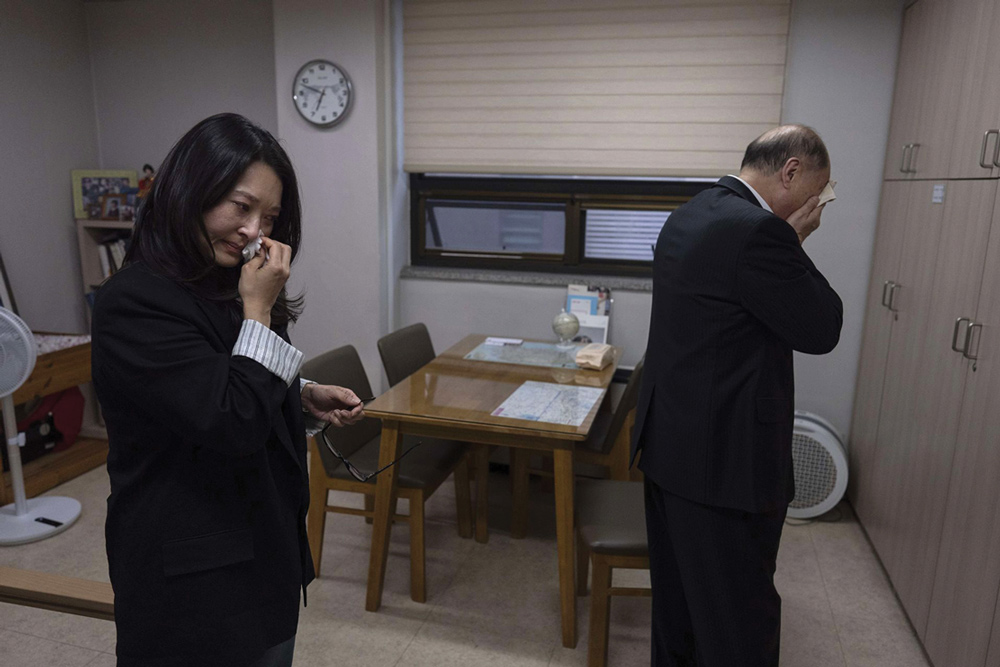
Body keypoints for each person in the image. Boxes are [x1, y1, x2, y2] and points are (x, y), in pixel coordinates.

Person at [92, 113, 365, 667]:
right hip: (189, 573)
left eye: (269, 216)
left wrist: (299, 391)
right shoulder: (134, 299)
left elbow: (225, 376)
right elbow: (229, 418)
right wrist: (259, 308)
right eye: (240, 207)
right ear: (188, 191)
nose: (253, 232)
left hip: (266, 549)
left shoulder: (229, 283)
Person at [631, 125, 843, 666]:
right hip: (723, 466)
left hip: (669, 450)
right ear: (790, 172)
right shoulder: (760, 233)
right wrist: (794, 243)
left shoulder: (691, 212)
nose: (818, 205)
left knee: (677, 615)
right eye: (820, 192)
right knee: (738, 627)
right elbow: (822, 329)